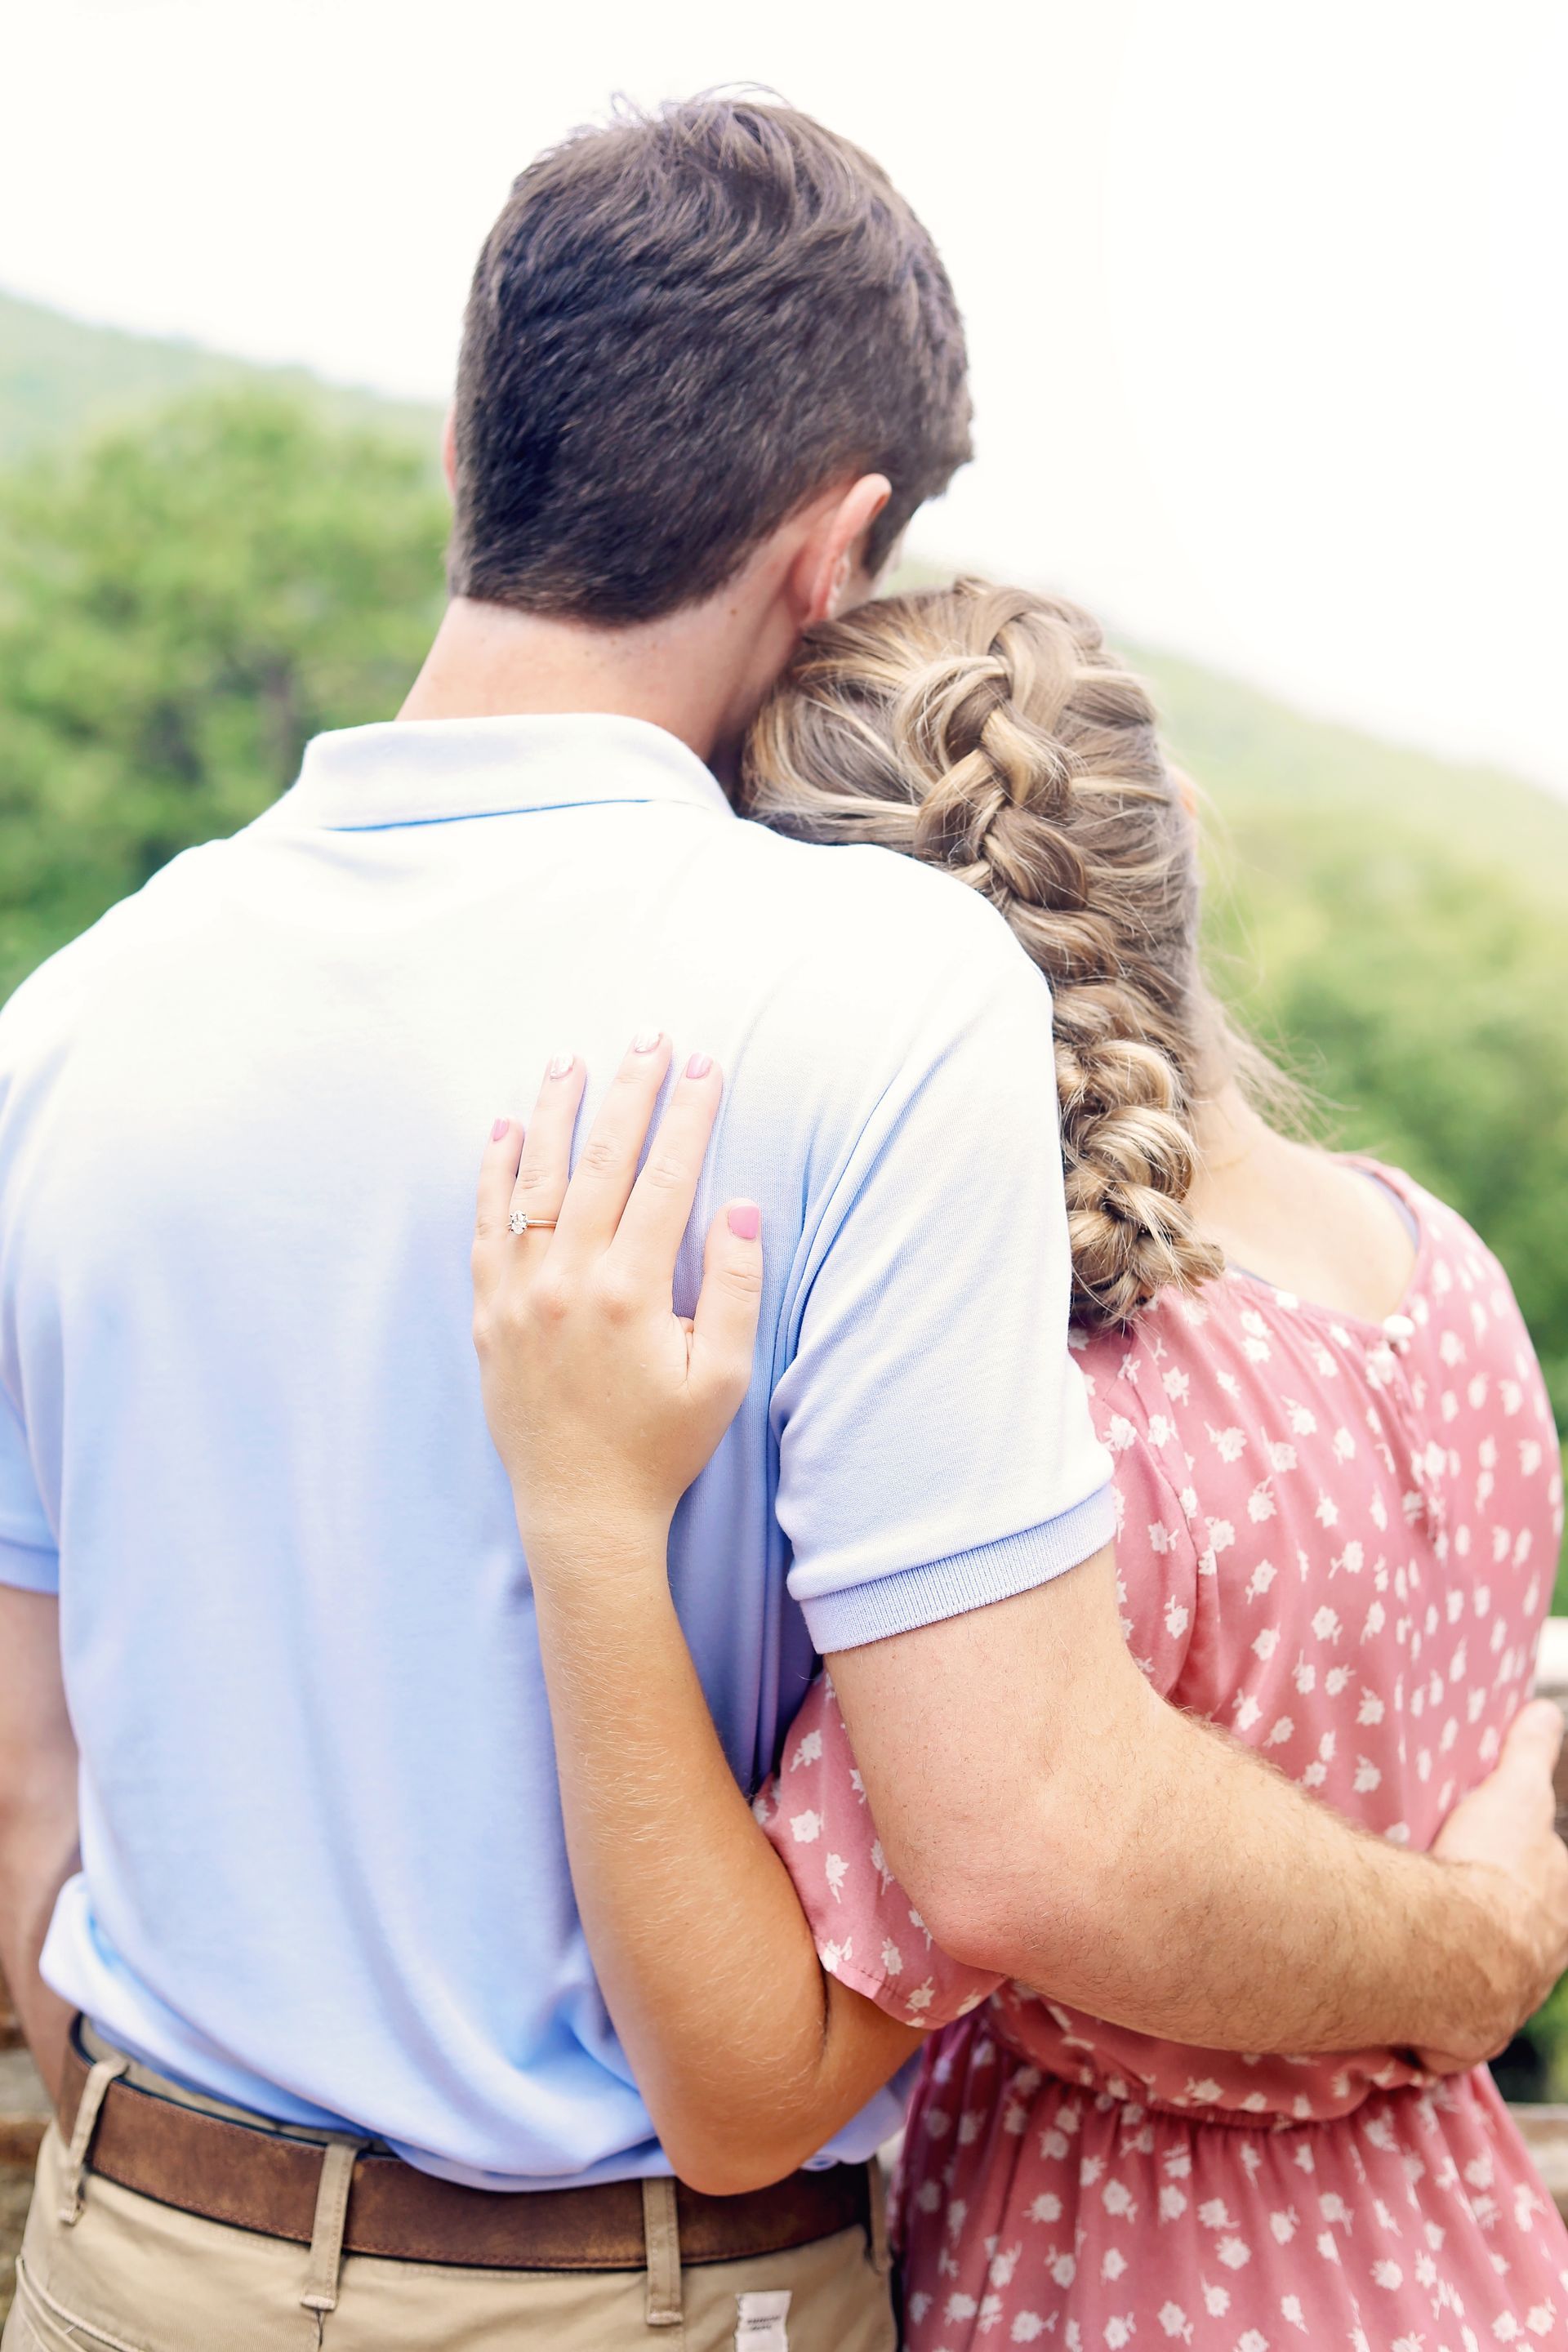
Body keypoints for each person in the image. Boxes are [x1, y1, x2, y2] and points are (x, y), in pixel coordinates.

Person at [0, 96, 1562, 2352]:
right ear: (831, 551)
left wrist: (213, 2211)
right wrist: (1477, 1947)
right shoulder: (873, 992)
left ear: (469, 440)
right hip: (631, 2295)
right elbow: (1021, 1836)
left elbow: (31, 1789)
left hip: (130, 2260)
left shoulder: (71, 1025)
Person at [467, 580, 1568, 2349]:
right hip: (1464, 2246)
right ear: (1178, 838)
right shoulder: (1446, 1268)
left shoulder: (1057, 1438)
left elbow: (761, 2074)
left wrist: (594, 1517)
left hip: (1126, 2282)